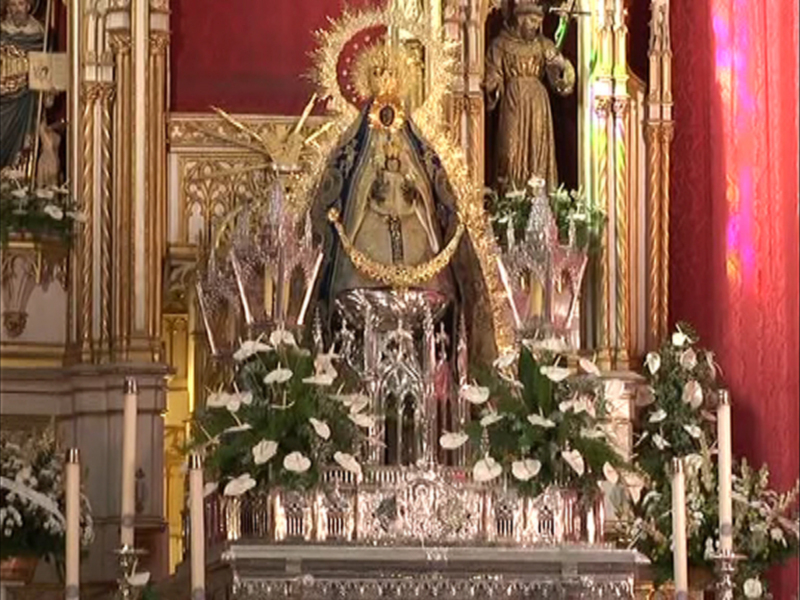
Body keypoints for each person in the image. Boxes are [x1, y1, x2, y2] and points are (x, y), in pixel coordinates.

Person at [484, 0, 575, 192]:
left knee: (538, 152)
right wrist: (492, 86)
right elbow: (493, 74)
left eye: (538, 21)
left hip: (537, 104)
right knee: (509, 153)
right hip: (513, 102)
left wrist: (561, 65)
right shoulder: (500, 44)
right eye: (532, 20)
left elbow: (561, 82)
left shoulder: (544, 45)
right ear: (520, 19)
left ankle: (538, 203)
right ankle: (509, 201)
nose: (536, 25)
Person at [0, 0, 45, 170]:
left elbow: (48, 68)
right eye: (12, 5)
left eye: (20, 4)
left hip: (26, 101)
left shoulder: (41, 34)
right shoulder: (2, 31)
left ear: (29, 6)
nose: (16, 9)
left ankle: (17, 181)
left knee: (22, 149)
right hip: (3, 99)